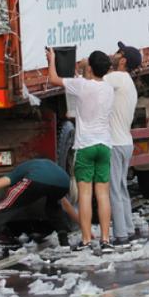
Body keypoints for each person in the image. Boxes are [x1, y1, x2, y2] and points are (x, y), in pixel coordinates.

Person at [45, 47, 115, 253]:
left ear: (90, 68)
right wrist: (87, 67)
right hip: (104, 145)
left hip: (85, 145)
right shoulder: (109, 88)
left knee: (85, 194)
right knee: (103, 194)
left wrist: (52, 59)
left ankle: (86, 240)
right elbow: (91, 76)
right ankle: (105, 238)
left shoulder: (82, 86)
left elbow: (54, 79)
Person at [0, 158, 80, 246]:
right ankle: (63, 240)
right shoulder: (44, 166)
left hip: (36, 180)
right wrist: (84, 227)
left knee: (5, 206)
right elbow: (66, 205)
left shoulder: (18, 171)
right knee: (53, 207)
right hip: (64, 184)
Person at [104, 42, 142, 245]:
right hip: (125, 142)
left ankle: (120, 234)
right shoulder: (128, 83)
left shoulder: (116, 78)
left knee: (114, 190)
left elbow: (93, 83)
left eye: (118, 53)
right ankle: (128, 227)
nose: (114, 54)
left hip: (115, 143)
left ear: (123, 60)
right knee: (121, 187)